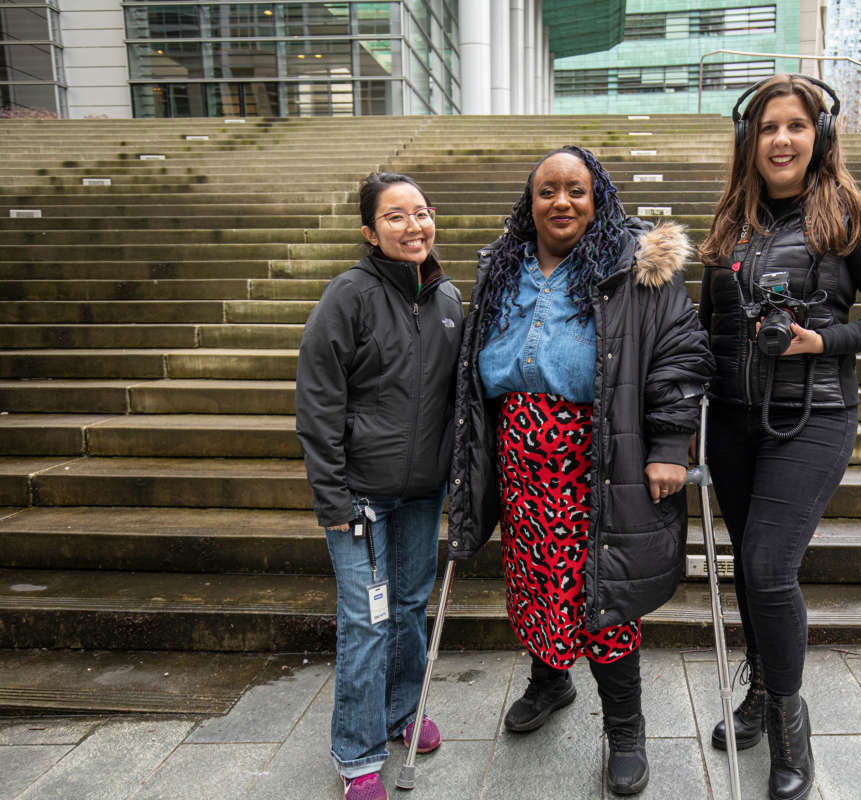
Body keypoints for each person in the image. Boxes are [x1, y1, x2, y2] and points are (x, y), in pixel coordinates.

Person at [446, 145, 713, 795]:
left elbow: (680, 353)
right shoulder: (501, 266)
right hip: (518, 455)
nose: (561, 202)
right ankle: (550, 680)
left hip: (599, 455)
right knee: (534, 580)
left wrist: (670, 446)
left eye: (575, 190)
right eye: (547, 191)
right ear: (528, 201)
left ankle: (625, 727)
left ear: (597, 198)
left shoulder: (636, 269)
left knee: (604, 592)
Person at [698, 74, 861, 800]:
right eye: (768, 128)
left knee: (766, 568)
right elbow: (705, 331)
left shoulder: (850, 217)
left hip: (815, 419)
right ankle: (760, 695)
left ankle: (793, 730)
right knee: (749, 571)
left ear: (819, 136)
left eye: (796, 126)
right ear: (749, 141)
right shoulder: (730, 224)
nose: (781, 140)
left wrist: (821, 341)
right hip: (732, 424)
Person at [295, 172, 463, 800]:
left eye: (420, 211)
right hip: (359, 495)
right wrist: (331, 496)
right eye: (395, 216)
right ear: (370, 231)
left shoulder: (448, 301)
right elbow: (317, 400)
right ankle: (357, 754)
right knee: (367, 620)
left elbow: (457, 402)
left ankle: (402, 714)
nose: (413, 225)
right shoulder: (349, 295)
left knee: (410, 608)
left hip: (423, 494)